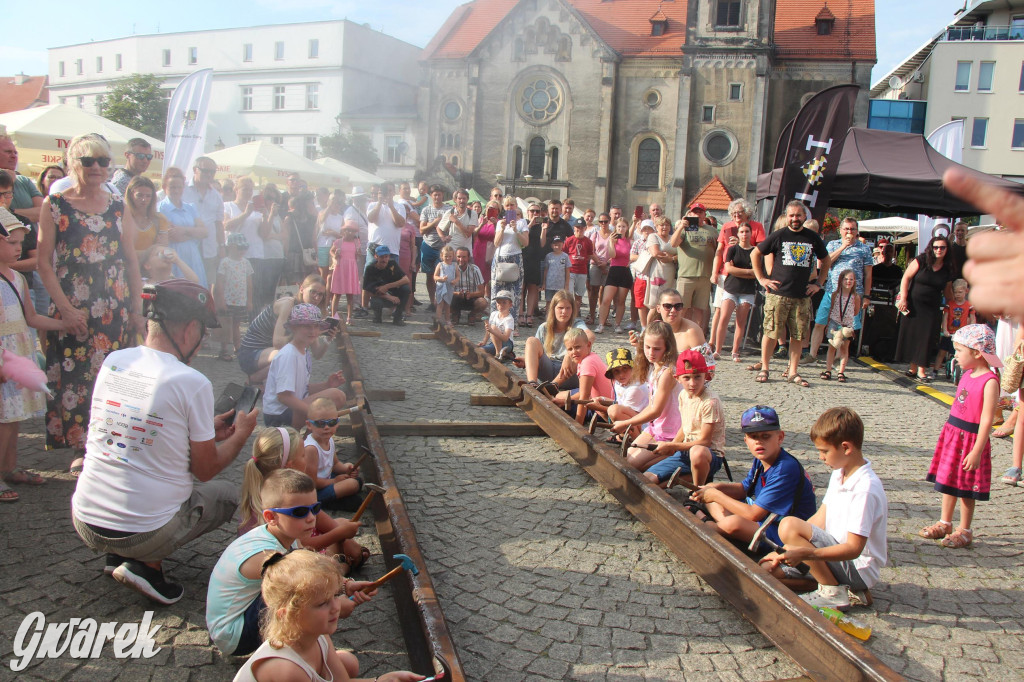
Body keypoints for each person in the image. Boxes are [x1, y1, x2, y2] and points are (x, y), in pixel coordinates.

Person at [72, 279, 258, 603]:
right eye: (203, 333)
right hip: (143, 533)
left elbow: (139, 427)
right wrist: (241, 434)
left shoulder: (115, 361)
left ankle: (115, 556)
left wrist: (206, 428)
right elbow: (206, 469)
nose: (201, 344)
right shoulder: (191, 381)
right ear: (189, 330)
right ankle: (147, 566)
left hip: (86, 520)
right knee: (231, 494)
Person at [37, 134, 144, 475]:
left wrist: (138, 311)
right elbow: (43, 263)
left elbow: (131, 261)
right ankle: (84, 447)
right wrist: (65, 309)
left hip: (115, 305)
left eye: (102, 161)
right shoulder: (55, 204)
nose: (96, 167)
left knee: (113, 376)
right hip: (74, 305)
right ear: (74, 163)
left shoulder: (118, 207)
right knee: (78, 378)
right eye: (88, 161)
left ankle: (112, 442)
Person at [208, 469, 376, 659]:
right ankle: (300, 657)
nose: (311, 517)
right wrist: (334, 605)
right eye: (300, 512)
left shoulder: (284, 536)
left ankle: (311, 655)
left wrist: (345, 585)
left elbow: (311, 569)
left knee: (307, 583)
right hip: (234, 635)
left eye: (315, 508)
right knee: (303, 597)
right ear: (271, 517)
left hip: (244, 614)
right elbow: (305, 586)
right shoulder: (265, 554)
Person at [759, 407, 888, 610]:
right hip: (831, 555)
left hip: (857, 568)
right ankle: (834, 587)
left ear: (846, 448)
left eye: (824, 451)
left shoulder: (865, 489)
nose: (821, 457)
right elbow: (820, 519)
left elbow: (853, 549)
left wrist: (805, 554)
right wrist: (786, 551)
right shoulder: (840, 473)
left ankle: (833, 592)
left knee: (788, 524)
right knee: (767, 571)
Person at [231, 548, 422, 682]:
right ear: (288, 614)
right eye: (323, 603)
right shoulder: (287, 670)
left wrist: (382, 680)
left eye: (334, 596)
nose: (335, 607)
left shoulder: (317, 635)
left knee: (347, 662)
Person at [0, 213, 68, 502]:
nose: (19, 247)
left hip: (19, 353)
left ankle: (9, 467)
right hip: (4, 358)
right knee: (2, 420)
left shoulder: (17, 278)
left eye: (21, 242)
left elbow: (31, 316)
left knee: (14, 418)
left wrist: (65, 324)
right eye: (11, 242)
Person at [919, 324, 1000, 549]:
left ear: (977, 352)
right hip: (954, 435)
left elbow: (986, 420)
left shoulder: (989, 381)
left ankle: (965, 529)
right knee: (947, 480)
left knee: (966, 486)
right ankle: (945, 522)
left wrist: (977, 451)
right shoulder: (967, 374)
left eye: (960, 351)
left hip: (971, 440)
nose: (955, 355)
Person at [690, 405, 816, 547]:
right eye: (753, 437)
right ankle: (721, 525)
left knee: (732, 521)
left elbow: (754, 514)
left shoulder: (785, 468)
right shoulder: (761, 458)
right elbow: (745, 488)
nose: (759, 442)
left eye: (765, 436)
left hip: (785, 531)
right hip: (765, 517)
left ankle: (713, 526)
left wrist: (716, 495)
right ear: (746, 441)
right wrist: (715, 488)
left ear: (780, 437)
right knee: (711, 490)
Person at [236, 428, 362, 561]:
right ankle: (342, 568)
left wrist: (344, 536)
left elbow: (319, 517)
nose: (307, 459)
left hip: (298, 537)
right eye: (303, 455)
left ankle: (344, 561)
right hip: (282, 559)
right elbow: (302, 546)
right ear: (289, 466)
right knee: (331, 552)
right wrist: (338, 535)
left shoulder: (287, 488)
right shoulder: (283, 498)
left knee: (342, 523)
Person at [750, 201, 829, 387]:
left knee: (798, 335)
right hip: (778, 293)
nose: (795, 219)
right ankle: (766, 368)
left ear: (804, 217)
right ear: (787, 217)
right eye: (791, 215)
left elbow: (826, 261)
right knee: (770, 332)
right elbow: (755, 254)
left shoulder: (812, 237)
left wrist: (819, 284)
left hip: (802, 295)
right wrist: (761, 278)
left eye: (798, 215)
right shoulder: (779, 235)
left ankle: (793, 371)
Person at [644, 349, 726, 489]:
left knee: (697, 452)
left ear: (706, 376)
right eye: (687, 378)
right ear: (678, 379)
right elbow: (686, 426)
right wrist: (673, 446)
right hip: (686, 451)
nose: (692, 383)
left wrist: (672, 445)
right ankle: (693, 477)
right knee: (648, 479)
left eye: (697, 377)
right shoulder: (683, 395)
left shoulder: (710, 402)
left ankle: (698, 491)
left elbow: (705, 442)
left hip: (708, 455)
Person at [238, 274, 336, 384]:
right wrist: (306, 333)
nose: (317, 297)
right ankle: (254, 380)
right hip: (250, 353)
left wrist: (327, 340)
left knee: (299, 351)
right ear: (302, 289)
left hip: (267, 353)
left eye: (320, 294)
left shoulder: (310, 311)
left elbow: (317, 354)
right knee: (292, 352)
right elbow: (278, 343)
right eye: (313, 292)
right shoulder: (288, 304)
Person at [262, 304, 346, 428]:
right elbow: (284, 397)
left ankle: (310, 440)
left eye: (316, 326)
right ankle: (307, 440)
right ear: (294, 328)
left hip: (286, 410)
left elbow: (300, 389)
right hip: (278, 416)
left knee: (337, 396)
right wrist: (315, 414)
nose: (312, 331)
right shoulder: (289, 355)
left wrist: (326, 385)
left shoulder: (303, 351)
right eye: (307, 326)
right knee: (336, 396)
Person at [610, 321, 682, 465]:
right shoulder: (654, 367)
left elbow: (656, 411)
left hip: (670, 431)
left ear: (667, 348)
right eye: (647, 347)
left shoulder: (668, 372)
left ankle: (675, 454)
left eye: (656, 349)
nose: (650, 353)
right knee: (628, 458)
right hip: (656, 428)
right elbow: (651, 405)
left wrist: (626, 423)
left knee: (635, 464)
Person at [805, 218, 873, 365]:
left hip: (852, 294)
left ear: (857, 231)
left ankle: (838, 358)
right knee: (820, 322)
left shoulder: (864, 249)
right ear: (841, 230)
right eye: (846, 229)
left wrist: (866, 296)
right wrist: (843, 246)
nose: (849, 232)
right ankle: (812, 354)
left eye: (852, 229)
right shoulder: (833, 244)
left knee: (846, 328)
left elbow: (868, 274)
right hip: (831, 291)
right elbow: (825, 262)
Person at [895, 235, 954, 382]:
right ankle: (912, 368)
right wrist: (903, 297)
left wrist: (957, 301)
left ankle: (922, 370)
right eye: (936, 247)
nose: (938, 250)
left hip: (932, 307)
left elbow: (948, 291)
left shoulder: (948, 268)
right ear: (931, 248)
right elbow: (906, 278)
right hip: (914, 304)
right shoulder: (921, 260)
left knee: (927, 337)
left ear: (947, 249)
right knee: (914, 336)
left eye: (942, 247)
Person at [519, 289, 591, 389]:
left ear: (572, 310)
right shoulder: (544, 328)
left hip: (570, 374)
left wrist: (568, 355)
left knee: (577, 351)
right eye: (560, 308)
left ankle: (554, 386)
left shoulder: (577, 324)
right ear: (553, 309)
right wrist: (525, 360)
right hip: (548, 370)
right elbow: (537, 352)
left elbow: (590, 336)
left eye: (568, 308)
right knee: (531, 341)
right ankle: (532, 384)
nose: (564, 312)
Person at [303, 399, 364, 513]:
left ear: (337, 423)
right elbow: (311, 483)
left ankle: (337, 497)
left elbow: (335, 464)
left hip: (327, 479)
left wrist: (347, 468)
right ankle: (322, 502)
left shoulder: (329, 439)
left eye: (331, 423)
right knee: (353, 487)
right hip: (314, 491)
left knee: (357, 481)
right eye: (320, 423)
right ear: (309, 425)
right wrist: (334, 481)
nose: (326, 427)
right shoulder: (311, 448)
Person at [157, 168, 209, 288]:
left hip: (192, 255)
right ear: (165, 187)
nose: (176, 191)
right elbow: (172, 236)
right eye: (172, 187)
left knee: (195, 290)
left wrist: (184, 230)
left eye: (179, 187)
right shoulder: (160, 209)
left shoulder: (191, 207)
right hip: (172, 255)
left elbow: (205, 232)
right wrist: (193, 233)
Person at [554, 327, 613, 424]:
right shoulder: (591, 356)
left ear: (588, 345)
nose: (574, 352)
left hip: (602, 409)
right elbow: (585, 393)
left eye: (577, 347)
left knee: (561, 402)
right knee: (560, 396)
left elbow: (584, 398)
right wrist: (564, 400)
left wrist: (578, 424)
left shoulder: (587, 363)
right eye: (570, 349)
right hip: (601, 397)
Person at [671, 211, 719, 331]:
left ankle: (696, 336)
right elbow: (673, 243)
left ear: (704, 215)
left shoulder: (712, 230)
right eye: (694, 212)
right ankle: (678, 334)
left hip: (705, 275)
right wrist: (681, 226)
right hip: (686, 275)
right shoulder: (684, 228)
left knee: (700, 309)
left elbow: (719, 249)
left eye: (700, 213)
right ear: (690, 214)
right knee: (682, 308)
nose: (697, 215)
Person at [225, 177, 269, 308]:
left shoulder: (256, 209)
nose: (249, 192)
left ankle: (253, 324)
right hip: (236, 256)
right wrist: (245, 213)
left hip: (255, 254)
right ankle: (236, 322)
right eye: (245, 189)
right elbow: (226, 225)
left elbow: (264, 234)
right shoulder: (228, 206)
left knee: (255, 291)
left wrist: (267, 216)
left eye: (251, 190)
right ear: (236, 189)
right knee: (235, 291)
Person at [716, 223, 756, 361]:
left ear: (751, 234)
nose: (744, 234)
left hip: (747, 290)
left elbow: (758, 272)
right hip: (731, 287)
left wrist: (740, 271)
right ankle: (718, 350)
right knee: (724, 319)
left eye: (747, 231)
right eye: (742, 232)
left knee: (740, 322)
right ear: (738, 234)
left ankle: (735, 351)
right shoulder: (733, 249)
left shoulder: (756, 251)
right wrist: (748, 272)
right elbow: (729, 269)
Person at [214, 233, 254, 362]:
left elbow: (249, 283)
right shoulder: (225, 262)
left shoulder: (246, 263)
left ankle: (238, 347)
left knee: (237, 324)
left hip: (240, 300)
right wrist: (220, 300)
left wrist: (249, 300)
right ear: (230, 247)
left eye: (244, 248)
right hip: (227, 299)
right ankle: (224, 349)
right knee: (226, 324)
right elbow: (219, 282)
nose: (242, 251)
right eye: (239, 248)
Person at [817, 270, 860, 384]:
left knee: (844, 349)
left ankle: (841, 371)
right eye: (846, 279)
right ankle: (828, 370)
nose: (848, 281)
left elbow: (856, 312)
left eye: (851, 279)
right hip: (834, 323)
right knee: (831, 347)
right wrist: (828, 323)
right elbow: (831, 308)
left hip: (847, 326)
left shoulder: (855, 297)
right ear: (841, 280)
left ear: (854, 281)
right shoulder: (835, 294)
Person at [491, 197, 529, 325]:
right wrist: (501, 228)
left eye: (512, 205)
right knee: (496, 291)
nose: (510, 207)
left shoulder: (522, 222)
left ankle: (512, 324)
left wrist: (515, 230)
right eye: (507, 205)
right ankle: (495, 322)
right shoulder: (499, 222)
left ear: (516, 206)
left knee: (515, 292)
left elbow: (525, 242)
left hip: (515, 257)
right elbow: (496, 243)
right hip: (500, 258)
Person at [640, 217, 678, 331]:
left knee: (668, 302)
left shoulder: (673, 238)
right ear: (656, 227)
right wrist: (673, 257)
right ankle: (647, 330)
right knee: (655, 304)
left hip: (671, 273)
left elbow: (681, 254)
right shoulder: (653, 236)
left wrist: (671, 258)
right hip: (658, 272)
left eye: (667, 225)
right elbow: (656, 253)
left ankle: (665, 330)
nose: (664, 227)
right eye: (662, 225)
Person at [596, 218, 634, 333]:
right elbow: (612, 255)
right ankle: (601, 324)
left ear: (626, 228)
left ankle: (617, 324)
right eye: (619, 227)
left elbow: (632, 256)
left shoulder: (629, 241)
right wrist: (612, 243)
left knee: (621, 301)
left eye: (623, 226)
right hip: (614, 270)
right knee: (606, 299)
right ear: (615, 228)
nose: (621, 229)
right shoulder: (611, 240)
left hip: (625, 271)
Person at [933, 279, 975, 378]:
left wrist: (971, 330)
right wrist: (945, 330)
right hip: (950, 332)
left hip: (961, 335)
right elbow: (945, 317)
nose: (958, 295)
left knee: (960, 352)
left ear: (966, 291)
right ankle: (935, 371)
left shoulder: (969, 306)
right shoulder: (950, 304)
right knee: (942, 352)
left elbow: (973, 318)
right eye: (955, 292)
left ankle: (963, 372)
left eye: (960, 292)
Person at [418, 185, 451, 311]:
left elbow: (449, 227)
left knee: (442, 276)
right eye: (435, 195)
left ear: (443, 195)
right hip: (428, 245)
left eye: (439, 194)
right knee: (429, 275)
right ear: (431, 196)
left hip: (443, 248)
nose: (437, 197)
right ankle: (432, 301)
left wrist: (432, 226)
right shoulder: (426, 210)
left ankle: (441, 302)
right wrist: (434, 222)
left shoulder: (448, 209)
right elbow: (422, 230)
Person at [362, 245, 410, 325]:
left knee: (406, 289)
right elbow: (367, 291)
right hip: (378, 296)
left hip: (393, 293)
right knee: (376, 301)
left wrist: (387, 286)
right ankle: (377, 317)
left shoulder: (392, 264)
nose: (384, 260)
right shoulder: (370, 268)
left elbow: (406, 280)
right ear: (376, 256)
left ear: (389, 257)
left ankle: (397, 318)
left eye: (386, 257)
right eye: (381, 257)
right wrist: (388, 297)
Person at [329, 220, 361, 323]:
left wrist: (358, 254)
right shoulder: (339, 241)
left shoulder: (357, 242)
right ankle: (334, 316)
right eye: (348, 230)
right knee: (337, 293)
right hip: (340, 267)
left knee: (350, 294)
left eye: (352, 231)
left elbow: (358, 255)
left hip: (351, 268)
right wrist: (335, 256)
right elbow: (331, 250)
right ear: (344, 231)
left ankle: (349, 317)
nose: (350, 233)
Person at [125, 176, 168, 253]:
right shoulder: (122, 218)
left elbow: (162, 249)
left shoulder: (160, 219)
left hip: (150, 264)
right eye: (139, 195)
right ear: (131, 195)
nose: (144, 199)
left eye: (148, 196)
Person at [367, 181, 406, 264]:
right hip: (374, 249)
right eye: (385, 191)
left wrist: (391, 206)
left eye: (390, 191)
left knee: (392, 277)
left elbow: (400, 224)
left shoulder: (399, 206)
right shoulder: (372, 205)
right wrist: (379, 203)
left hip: (392, 250)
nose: (387, 193)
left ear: (394, 193)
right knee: (371, 276)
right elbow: (371, 219)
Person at [563, 217, 595, 312]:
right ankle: (569, 313)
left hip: (582, 271)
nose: (579, 229)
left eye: (581, 227)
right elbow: (564, 254)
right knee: (568, 294)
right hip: (571, 271)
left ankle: (576, 315)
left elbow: (590, 255)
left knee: (579, 295)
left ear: (585, 228)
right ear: (574, 228)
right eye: (577, 227)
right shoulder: (569, 240)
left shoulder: (588, 241)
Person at [586, 212, 613, 324]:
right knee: (594, 291)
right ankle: (592, 315)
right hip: (596, 264)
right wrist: (599, 262)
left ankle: (604, 317)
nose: (603, 223)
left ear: (609, 221)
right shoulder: (595, 234)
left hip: (609, 265)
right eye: (601, 221)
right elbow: (591, 251)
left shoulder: (613, 234)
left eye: (605, 221)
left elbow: (616, 252)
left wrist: (606, 263)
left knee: (606, 292)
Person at [452, 246, 488, 324]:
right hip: (456, 297)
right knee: (441, 298)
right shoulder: (451, 269)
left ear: (468, 258)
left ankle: (473, 314)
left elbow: (482, 292)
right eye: (459, 257)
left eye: (464, 257)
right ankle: (455, 313)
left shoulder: (475, 269)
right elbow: (447, 290)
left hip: (471, 298)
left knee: (483, 302)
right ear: (455, 257)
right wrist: (457, 294)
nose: (461, 260)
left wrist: (470, 294)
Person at [439, 188, 477, 256]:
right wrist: (443, 238)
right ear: (455, 200)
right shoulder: (450, 212)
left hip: (466, 252)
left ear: (467, 199)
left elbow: (467, 234)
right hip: (451, 252)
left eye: (464, 198)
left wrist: (456, 221)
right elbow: (439, 228)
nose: (462, 201)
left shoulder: (472, 214)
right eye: (459, 198)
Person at [317, 192, 345, 283]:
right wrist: (330, 204)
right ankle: (322, 293)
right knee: (323, 273)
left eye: (338, 203)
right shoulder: (322, 212)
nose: (337, 205)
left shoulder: (341, 218)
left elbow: (343, 235)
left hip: (334, 247)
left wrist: (333, 233)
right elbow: (321, 220)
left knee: (332, 274)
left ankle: (329, 295)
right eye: (335, 202)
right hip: (323, 246)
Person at [480, 289, 515, 360]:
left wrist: (492, 331)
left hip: (507, 344)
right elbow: (488, 330)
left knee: (493, 327)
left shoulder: (509, 319)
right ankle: (503, 354)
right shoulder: (494, 314)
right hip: (494, 343)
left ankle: (498, 354)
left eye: (504, 303)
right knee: (481, 350)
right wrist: (484, 341)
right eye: (498, 302)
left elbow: (505, 338)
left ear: (510, 305)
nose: (501, 305)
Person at [433, 245, 457, 326]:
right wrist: (441, 279)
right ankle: (438, 320)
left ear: (453, 256)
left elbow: (458, 276)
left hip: (449, 287)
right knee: (440, 304)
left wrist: (455, 281)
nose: (448, 258)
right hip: (441, 286)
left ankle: (447, 320)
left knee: (448, 304)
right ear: (442, 256)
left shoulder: (455, 265)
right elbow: (435, 276)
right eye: (446, 256)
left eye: (450, 256)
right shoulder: (440, 265)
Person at [543, 236, 571, 303]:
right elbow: (546, 270)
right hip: (549, 285)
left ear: (563, 245)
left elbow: (567, 271)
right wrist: (544, 283)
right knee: (549, 302)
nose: (557, 247)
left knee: (559, 302)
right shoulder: (548, 256)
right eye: (555, 245)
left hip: (560, 285)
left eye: (559, 245)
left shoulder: (565, 256)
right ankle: (548, 313)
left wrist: (566, 285)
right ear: (552, 246)